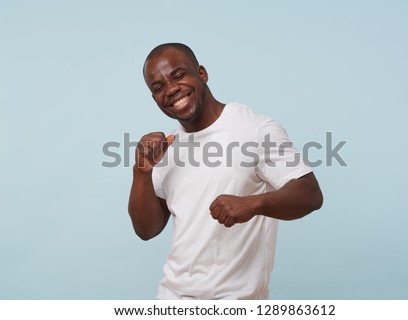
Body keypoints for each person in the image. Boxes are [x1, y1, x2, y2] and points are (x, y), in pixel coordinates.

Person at [128, 43, 323, 299]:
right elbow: (147, 230)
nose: (171, 89)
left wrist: (252, 204)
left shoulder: (253, 128)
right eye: (158, 87)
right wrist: (141, 172)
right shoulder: (167, 147)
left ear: (202, 74)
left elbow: (309, 194)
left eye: (178, 75)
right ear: (154, 99)